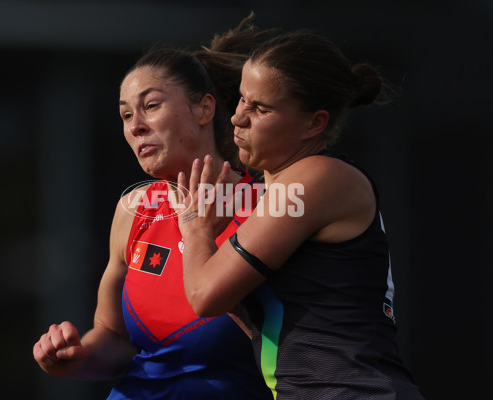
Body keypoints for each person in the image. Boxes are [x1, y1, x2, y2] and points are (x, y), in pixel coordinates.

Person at [32, 14, 274, 400]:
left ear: (204, 109)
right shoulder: (134, 210)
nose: (136, 126)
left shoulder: (270, 209)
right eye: (127, 114)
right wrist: (76, 359)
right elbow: (113, 337)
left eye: (151, 106)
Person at [178, 30, 425, 399]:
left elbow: (204, 296)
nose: (237, 118)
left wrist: (196, 227)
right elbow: (270, 328)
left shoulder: (317, 178)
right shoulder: (281, 193)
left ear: (314, 123)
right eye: (242, 100)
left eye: (260, 109)